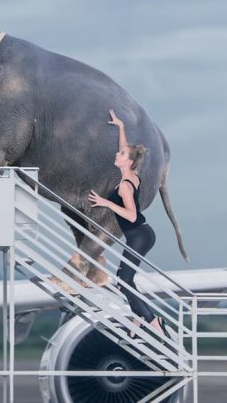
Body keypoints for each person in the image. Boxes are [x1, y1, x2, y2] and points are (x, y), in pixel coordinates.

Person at [88, 109, 169, 338]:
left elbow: (132, 216)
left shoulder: (125, 184)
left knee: (123, 280)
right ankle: (139, 317)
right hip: (140, 234)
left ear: (129, 162)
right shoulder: (132, 173)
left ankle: (152, 321)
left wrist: (105, 202)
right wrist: (120, 126)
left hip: (138, 234)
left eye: (121, 154)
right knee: (124, 280)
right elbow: (128, 150)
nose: (117, 154)